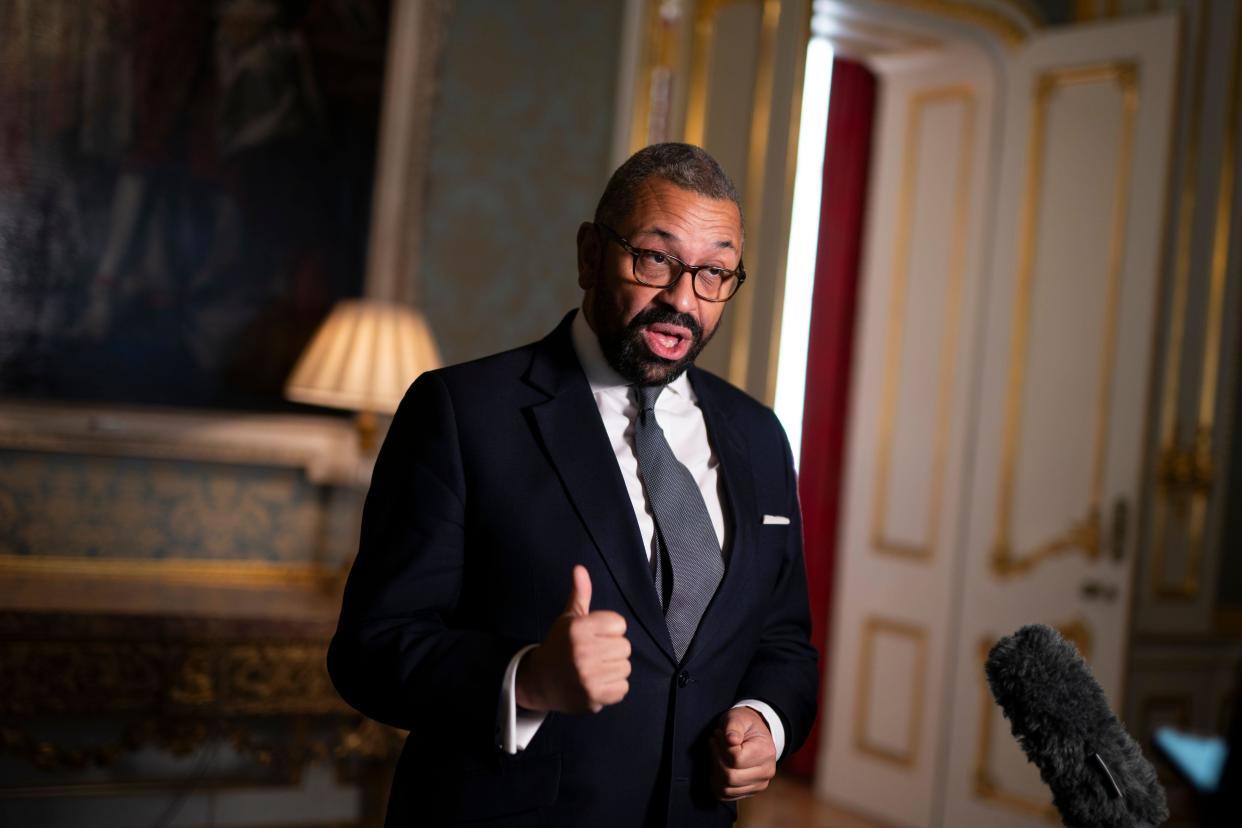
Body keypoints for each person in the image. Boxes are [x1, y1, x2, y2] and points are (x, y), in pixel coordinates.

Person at [328, 143, 819, 827]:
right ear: (590, 254)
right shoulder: (462, 412)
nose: (683, 300)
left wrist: (764, 720)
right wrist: (527, 678)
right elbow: (370, 651)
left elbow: (784, 643)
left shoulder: (760, 436)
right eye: (655, 260)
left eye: (714, 274)